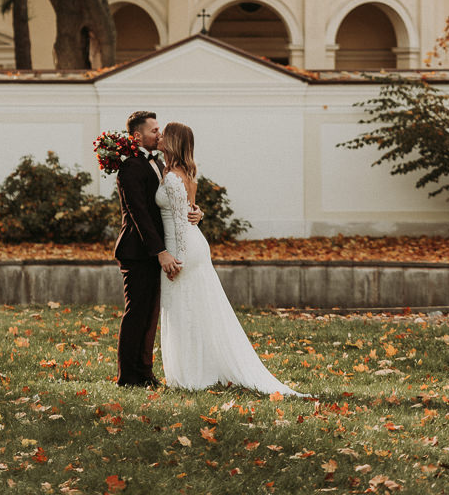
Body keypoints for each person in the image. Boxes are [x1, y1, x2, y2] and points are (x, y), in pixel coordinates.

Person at [156, 121, 312, 397]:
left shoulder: (170, 177)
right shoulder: (186, 173)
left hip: (183, 247)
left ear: (172, 142)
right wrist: (198, 214)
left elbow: (181, 223)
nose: (158, 137)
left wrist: (177, 258)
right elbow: (189, 211)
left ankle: (191, 373)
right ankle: (199, 368)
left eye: (163, 134)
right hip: (194, 242)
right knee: (196, 308)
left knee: (183, 310)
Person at [113, 111, 201, 387]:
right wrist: (160, 252)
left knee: (151, 315)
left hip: (159, 249)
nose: (159, 134)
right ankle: (127, 376)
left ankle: (144, 372)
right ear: (137, 136)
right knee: (137, 312)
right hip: (137, 251)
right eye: (154, 130)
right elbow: (139, 214)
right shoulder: (130, 168)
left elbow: (175, 205)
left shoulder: (161, 163)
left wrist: (196, 213)